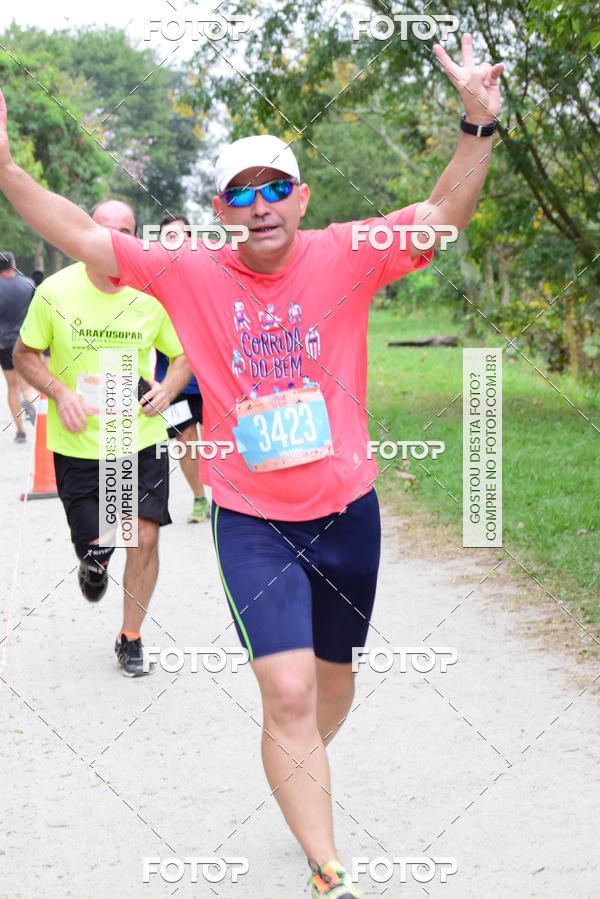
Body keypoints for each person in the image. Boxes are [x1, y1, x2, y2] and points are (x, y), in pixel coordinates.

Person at [0, 33, 504, 893]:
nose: (261, 203)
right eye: (242, 193)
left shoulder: (346, 251)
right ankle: (326, 864)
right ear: (221, 209)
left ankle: (295, 755)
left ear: (299, 198)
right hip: (254, 519)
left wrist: (476, 126)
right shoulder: (188, 271)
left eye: (276, 187)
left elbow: (442, 217)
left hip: (348, 511)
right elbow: (79, 229)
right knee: (290, 695)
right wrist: (7, 167)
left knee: (332, 688)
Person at [13, 199, 192, 677]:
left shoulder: (152, 294)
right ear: (85, 232)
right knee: (101, 541)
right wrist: (60, 392)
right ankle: (94, 562)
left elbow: (182, 356)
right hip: (80, 442)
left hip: (138, 435)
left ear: (135, 237)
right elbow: (26, 355)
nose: (114, 240)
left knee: (145, 536)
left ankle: (130, 636)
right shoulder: (55, 291)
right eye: (104, 230)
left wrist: (167, 390)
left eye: (125, 232)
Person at [155, 215, 210, 522]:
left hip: (212, 377)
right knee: (185, 438)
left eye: (180, 236)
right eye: (168, 237)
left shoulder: (208, 273)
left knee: (228, 441)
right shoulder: (152, 281)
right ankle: (200, 499)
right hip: (174, 380)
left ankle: (240, 499)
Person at [0, 250, 36, 440]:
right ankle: (33, 407)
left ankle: (20, 432)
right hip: (26, 342)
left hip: (4, 344)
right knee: (27, 386)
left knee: (12, 386)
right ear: (13, 265)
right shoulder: (29, 284)